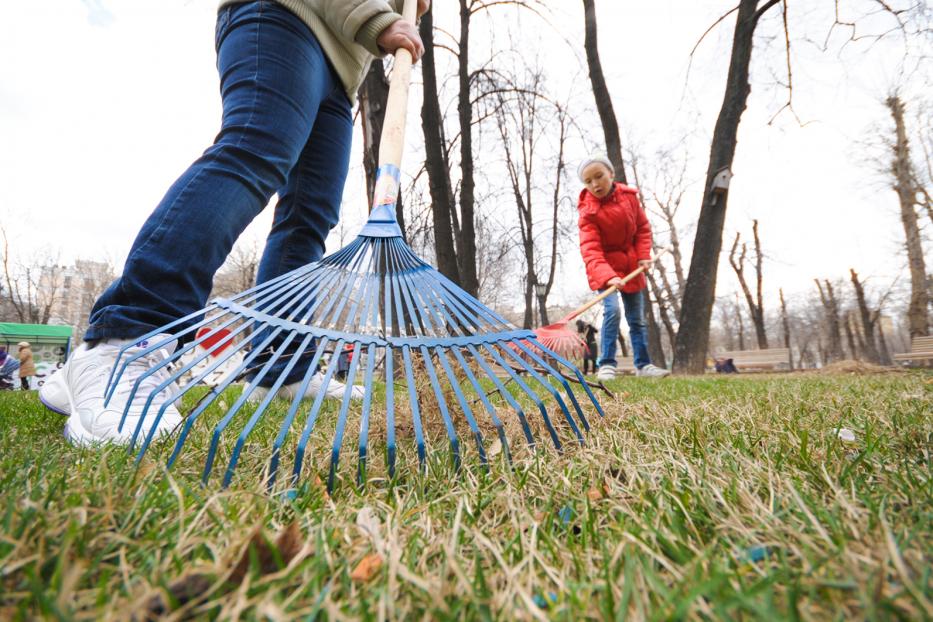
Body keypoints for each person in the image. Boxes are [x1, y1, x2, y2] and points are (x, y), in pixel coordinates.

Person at [40, 0, 430, 446]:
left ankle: (281, 366)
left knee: (310, 215)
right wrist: (377, 19)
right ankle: (127, 337)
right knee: (254, 154)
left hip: (342, 72)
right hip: (285, 16)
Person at [576, 155, 669, 379]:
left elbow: (642, 229)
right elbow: (591, 249)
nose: (595, 184)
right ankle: (607, 363)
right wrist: (608, 276)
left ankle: (643, 365)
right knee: (613, 311)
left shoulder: (629, 198)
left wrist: (643, 256)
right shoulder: (587, 212)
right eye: (588, 181)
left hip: (631, 266)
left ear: (611, 174)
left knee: (637, 319)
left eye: (599, 176)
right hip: (604, 268)